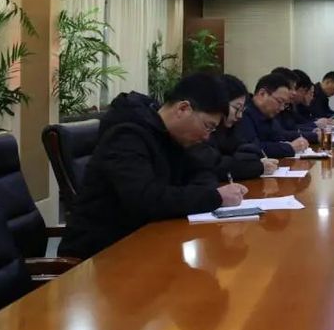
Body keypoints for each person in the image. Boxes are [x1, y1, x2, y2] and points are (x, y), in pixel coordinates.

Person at [59, 73, 248, 259]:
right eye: (208, 126)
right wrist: (214, 197)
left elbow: (202, 173)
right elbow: (146, 200)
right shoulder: (126, 136)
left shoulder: (172, 137)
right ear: (183, 109)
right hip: (99, 255)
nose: (207, 137)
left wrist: (205, 194)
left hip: (145, 242)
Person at [191, 74, 278, 182]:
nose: (240, 115)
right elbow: (215, 165)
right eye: (237, 108)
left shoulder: (230, 127)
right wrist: (257, 167)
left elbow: (244, 147)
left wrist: (257, 161)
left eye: (242, 110)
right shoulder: (202, 129)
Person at [237, 73, 309, 158]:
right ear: (262, 94)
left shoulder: (268, 115)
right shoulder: (243, 113)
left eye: (285, 104)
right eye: (279, 101)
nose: (282, 108)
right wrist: (289, 147)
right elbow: (254, 148)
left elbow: (279, 138)